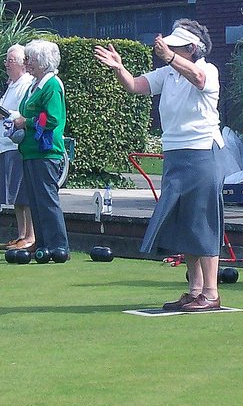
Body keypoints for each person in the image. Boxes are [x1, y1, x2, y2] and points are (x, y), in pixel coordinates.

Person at [94, 19, 226, 312]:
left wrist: (169, 57)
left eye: (176, 46)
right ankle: (194, 290)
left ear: (192, 48)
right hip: (175, 155)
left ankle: (211, 292)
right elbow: (135, 86)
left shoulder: (207, 69)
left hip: (202, 153)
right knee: (184, 224)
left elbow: (199, 79)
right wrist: (119, 68)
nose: (168, 49)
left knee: (203, 222)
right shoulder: (167, 74)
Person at [10, 39, 69, 255]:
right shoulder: (34, 85)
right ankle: (43, 244)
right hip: (30, 151)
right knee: (35, 201)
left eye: (30, 58)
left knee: (47, 200)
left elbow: (52, 119)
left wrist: (25, 121)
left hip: (46, 151)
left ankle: (59, 246)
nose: (26, 62)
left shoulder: (52, 85)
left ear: (43, 61)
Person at [0, 44, 36, 250]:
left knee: (23, 193)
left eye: (10, 61)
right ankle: (21, 234)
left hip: (16, 146)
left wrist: (0, 114)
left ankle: (30, 236)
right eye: (6, 60)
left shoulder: (26, 83)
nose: (6, 64)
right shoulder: (13, 84)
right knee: (15, 195)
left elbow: (21, 113)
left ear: (23, 64)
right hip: (5, 145)